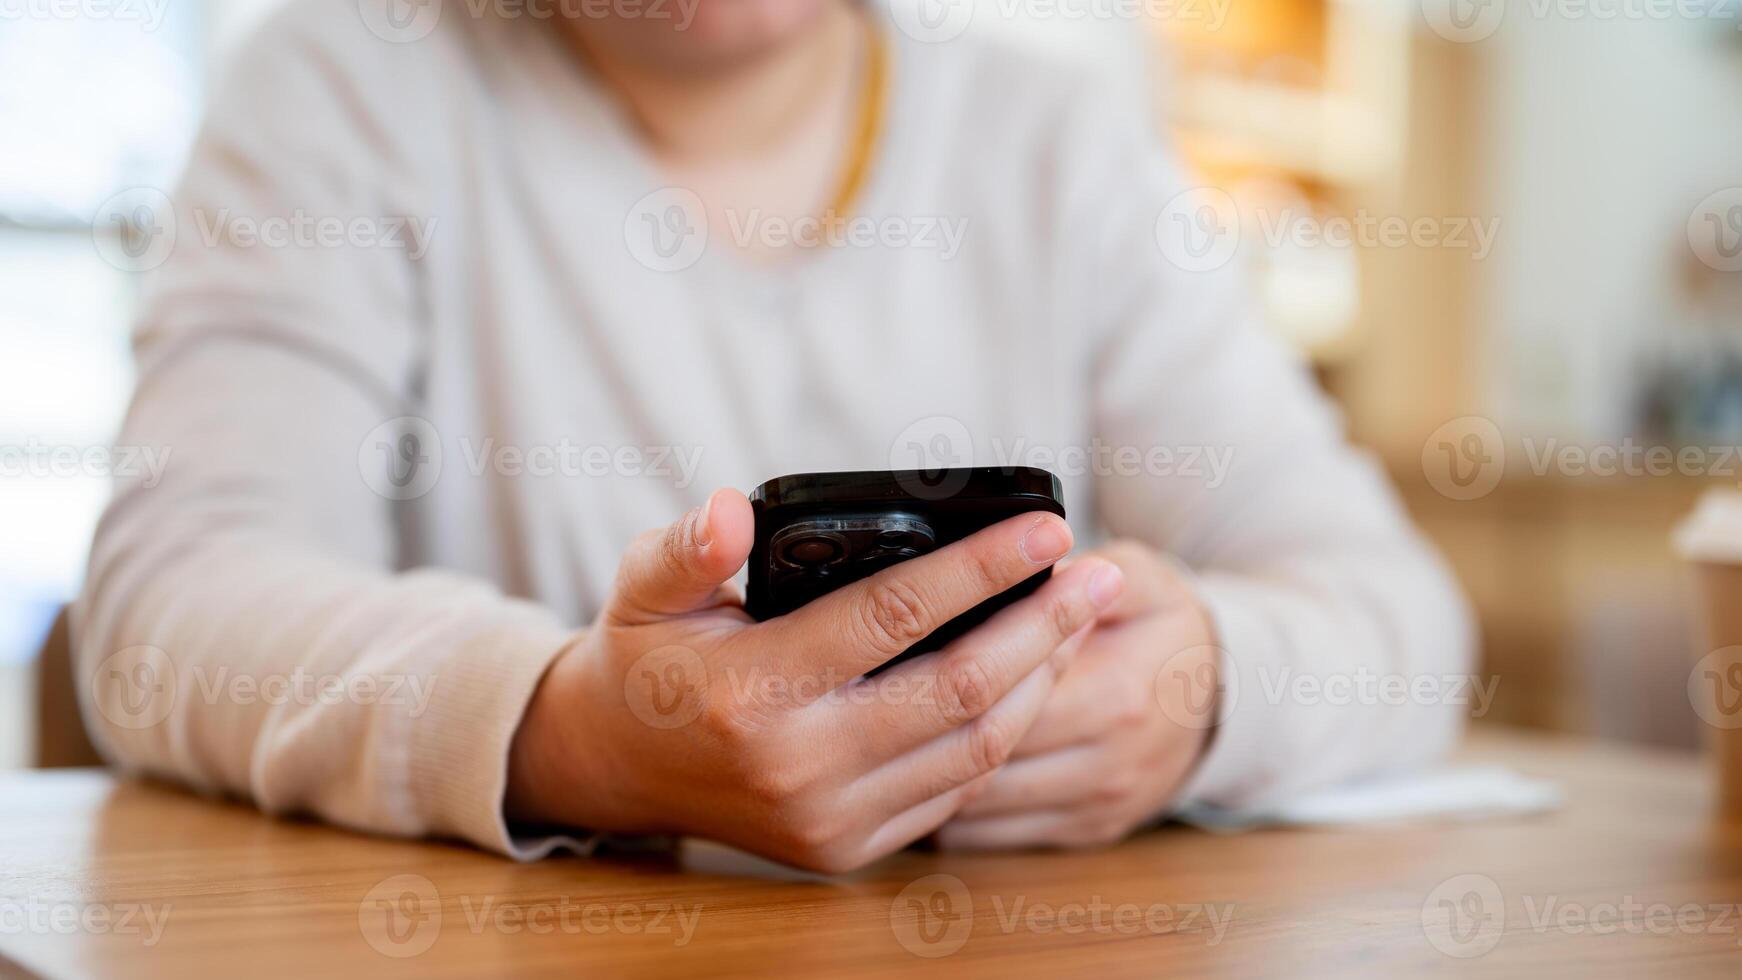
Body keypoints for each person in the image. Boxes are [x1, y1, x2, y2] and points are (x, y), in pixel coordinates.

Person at [74, 0, 1473, 873]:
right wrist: (565, 737)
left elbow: (1394, 612)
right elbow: (166, 615)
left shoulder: (1061, 142)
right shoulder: (335, 84)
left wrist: (1195, 696)